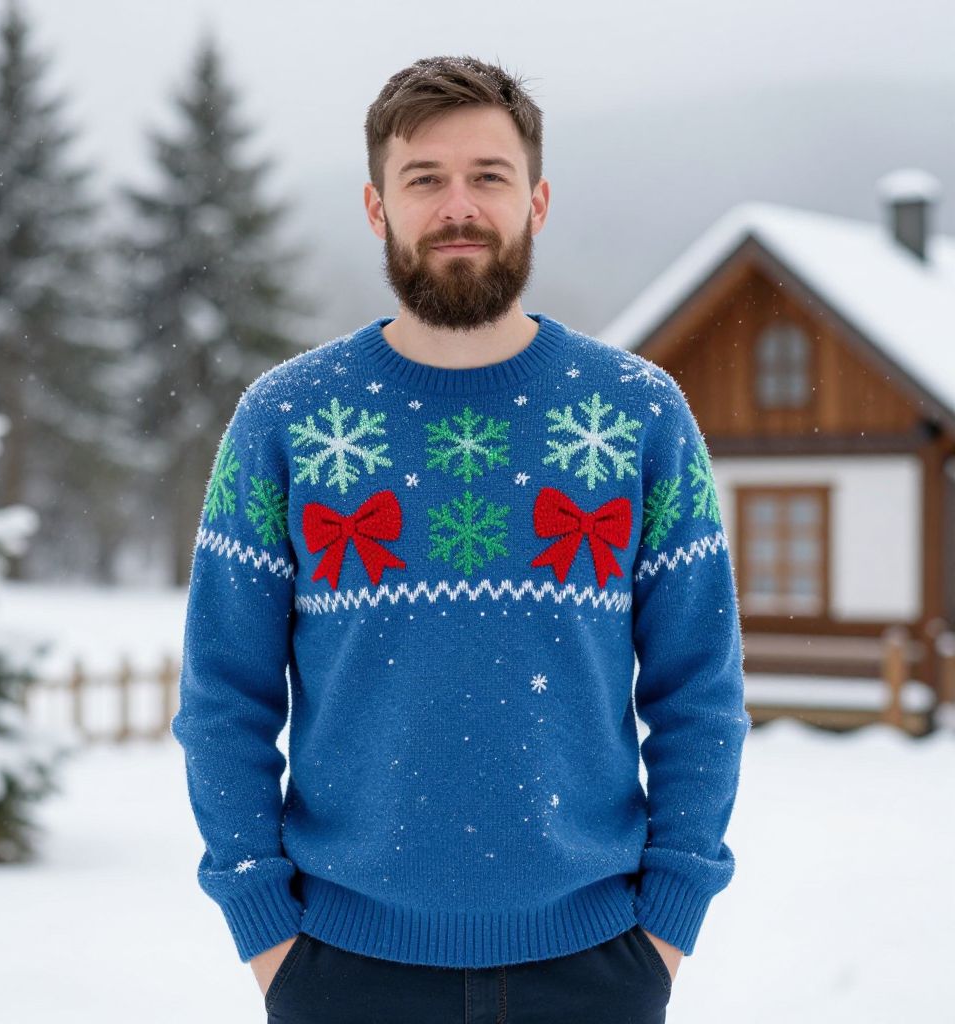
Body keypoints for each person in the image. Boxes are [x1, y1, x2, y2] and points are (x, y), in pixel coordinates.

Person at [171, 54, 751, 1023]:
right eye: (424, 179)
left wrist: (667, 924)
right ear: (375, 206)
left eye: (488, 175)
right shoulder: (285, 419)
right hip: (340, 969)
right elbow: (223, 695)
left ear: (538, 199)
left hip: (596, 967)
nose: (458, 206)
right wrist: (266, 929)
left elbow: (699, 691)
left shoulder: (638, 414)